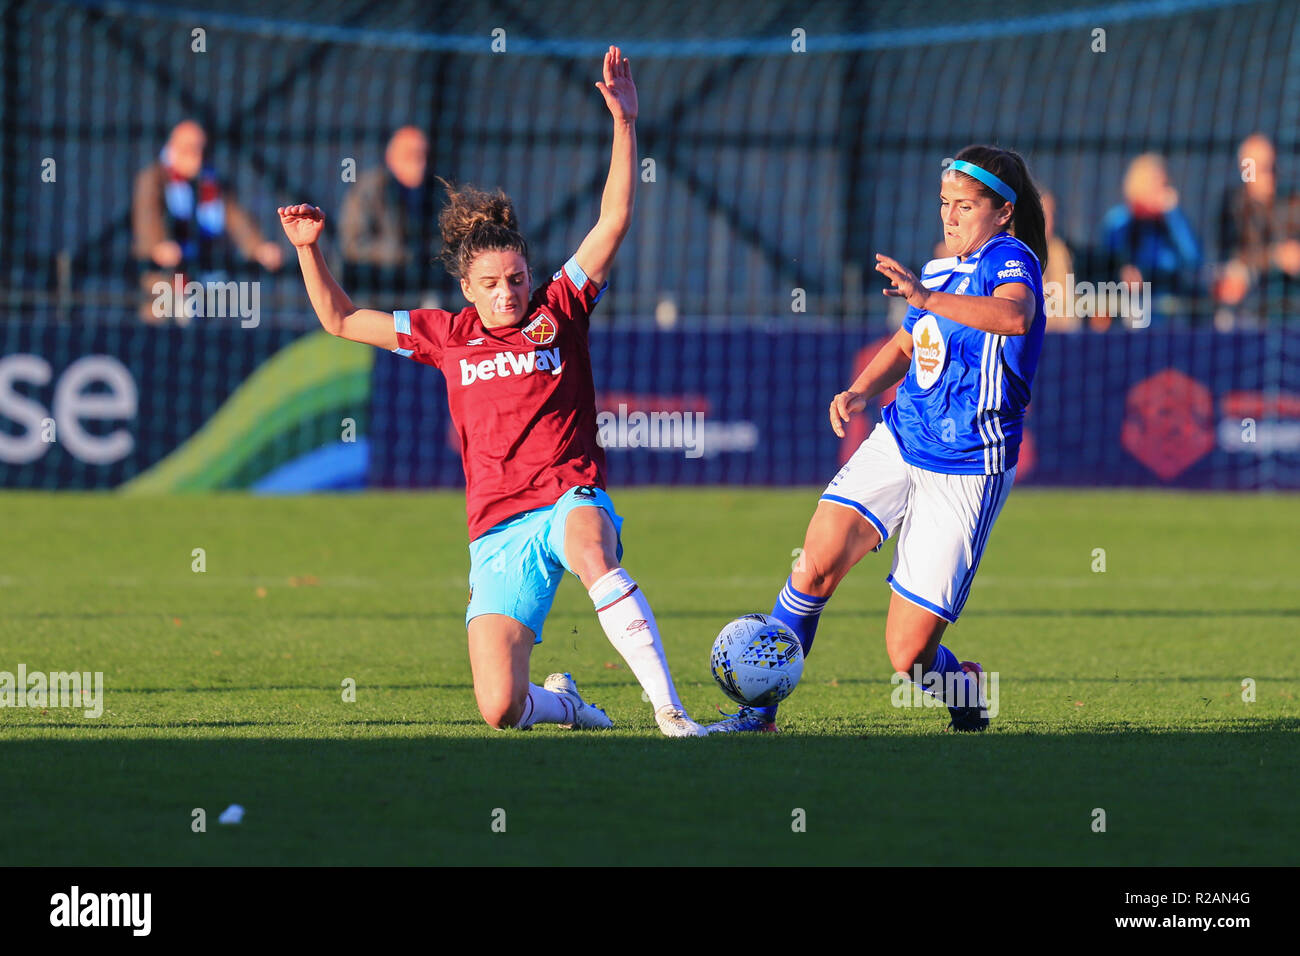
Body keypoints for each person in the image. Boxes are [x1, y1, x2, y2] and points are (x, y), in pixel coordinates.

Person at [278, 48, 704, 737]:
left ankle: (670, 711)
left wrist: (625, 123)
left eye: (514, 277)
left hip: (569, 494)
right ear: (465, 289)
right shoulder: (444, 334)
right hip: (497, 528)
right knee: (500, 709)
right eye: (491, 283)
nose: (507, 292)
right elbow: (337, 318)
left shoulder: (559, 307)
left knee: (594, 549)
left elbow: (614, 220)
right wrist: (307, 248)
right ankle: (568, 703)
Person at [709, 145, 1047, 734]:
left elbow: (1014, 317)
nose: (950, 217)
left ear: (1003, 212)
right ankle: (758, 712)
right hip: (900, 437)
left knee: (908, 658)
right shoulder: (939, 271)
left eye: (965, 206)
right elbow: (908, 343)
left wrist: (925, 298)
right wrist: (861, 391)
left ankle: (962, 687)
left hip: (968, 467)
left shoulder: (1011, 258)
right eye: (945, 204)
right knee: (813, 565)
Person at [132, 120, 282, 323]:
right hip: (165, 276)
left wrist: (258, 247)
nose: (197, 156)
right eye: (190, 149)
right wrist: (159, 245)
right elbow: (148, 216)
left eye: (201, 149)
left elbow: (235, 217)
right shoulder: (154, 178)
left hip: (205, 272)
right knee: (162, 320)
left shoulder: (212, 181)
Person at [340, 126, 440, 307]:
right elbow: (353, 244)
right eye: (410, 156)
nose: (420, 163)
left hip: (418, 289)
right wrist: (404, 253)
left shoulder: (436, 191)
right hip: (374, 291)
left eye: (424, 156)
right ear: (392, 159)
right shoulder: (370, 189)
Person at [1098, 153, 1201, 327]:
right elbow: (1108, 266)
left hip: (1170, 314)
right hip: (1131, 312)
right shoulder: (1119, 220)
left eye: (1164, 185)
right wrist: (1123, 273)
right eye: (1156, 185)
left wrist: (1174, 215)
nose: (1163, 192)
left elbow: (1193, 259)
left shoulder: (1171, 223)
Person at [1215, 133, 1300, 325]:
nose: (1269, 174)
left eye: (1272, 166)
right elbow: (1229, 254)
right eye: (1261, 167)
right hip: (1251, 297)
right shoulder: (1233, 204)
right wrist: (1274, 257)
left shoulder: (1292, 201)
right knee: (1235, 276)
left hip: (1290, 294)